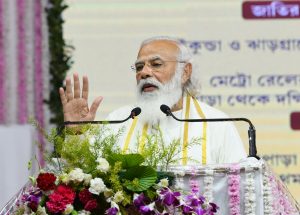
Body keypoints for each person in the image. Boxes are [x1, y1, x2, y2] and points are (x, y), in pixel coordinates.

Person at [59, 36, 246, 166]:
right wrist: (76, 135)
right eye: (139, 67)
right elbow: (80, 179)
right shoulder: (119, 120)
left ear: (185, 72)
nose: (144, 72)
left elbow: (237, 189)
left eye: (156, 64)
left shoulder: (216, 123)